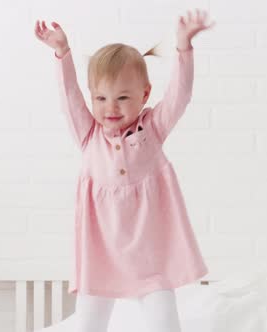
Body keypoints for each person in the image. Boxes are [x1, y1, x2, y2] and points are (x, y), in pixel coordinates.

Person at [34, 8, 216, 332]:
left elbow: (180, 95)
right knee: (88, 322)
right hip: (101, 254)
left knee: (164, 321)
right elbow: (69, 97)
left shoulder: (152, 129)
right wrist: (62, 53)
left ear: (144, 94)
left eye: (122, 97)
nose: (110, 108)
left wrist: (184, 48)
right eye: (100, 98)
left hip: (150, 256)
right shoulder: (89, 137)